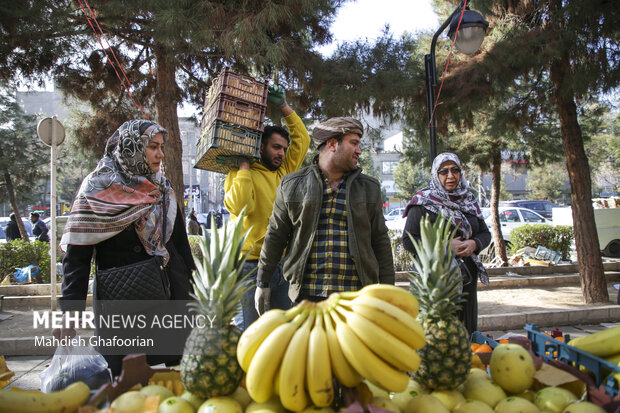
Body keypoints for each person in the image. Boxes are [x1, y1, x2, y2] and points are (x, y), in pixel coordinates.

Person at [57, 120, 195, 375]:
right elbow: (77, 258)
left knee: (174, 382)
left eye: (162, 147)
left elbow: (179, 244)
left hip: (169, 294)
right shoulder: (96, 188)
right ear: (132, 147)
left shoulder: (162, 187)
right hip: (121, 301)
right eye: (153, 147)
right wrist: (70, 312)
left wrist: (196, 287)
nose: (160, 154)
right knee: (126, 383)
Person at [254, 117, 395, 313]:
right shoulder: (292, 185)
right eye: (354, 143)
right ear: (332, 144)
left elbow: (380, 240)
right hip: (306, 298)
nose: (359, 150)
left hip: (357, 298)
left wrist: (388, 290)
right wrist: (263, 282)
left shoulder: (369, 188)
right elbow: (276, 236)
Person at [224, 85, 311, 330]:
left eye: (284, 149)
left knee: (285, 330)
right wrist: (243, 166)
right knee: (250, 331)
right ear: (260, 147)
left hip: (282, 264)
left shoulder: (284, 171)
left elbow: (302, 139)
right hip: (249, 266)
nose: (282, 153)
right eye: (276, 147)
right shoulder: (238, 174)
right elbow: (242, 206)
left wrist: (284, 107)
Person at [402, 152, 491, 335]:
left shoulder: (469, 199)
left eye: (455, 170)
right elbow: (409, 241)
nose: (450, 176)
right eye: (444, 171)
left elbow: (485, 233)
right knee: (438, 334)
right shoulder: (422, 202)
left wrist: (474, 244)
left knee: (466, 330)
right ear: (436, 174)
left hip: (467, 278)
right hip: (436, 281)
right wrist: (443, 247)